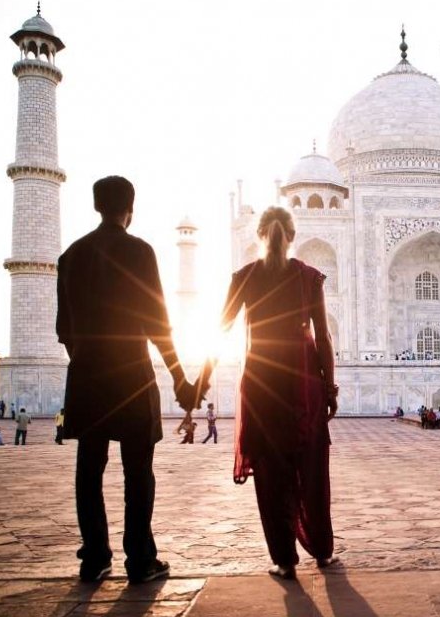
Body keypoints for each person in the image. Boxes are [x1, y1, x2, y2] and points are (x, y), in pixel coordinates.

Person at [57, 176, 197, 584]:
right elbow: (158, 323)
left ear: (96, 206)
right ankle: (140, 559)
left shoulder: (71, 256)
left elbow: (64, 329)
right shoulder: (139, 251)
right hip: (132, 376)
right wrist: (177, 376)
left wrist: (85, 361)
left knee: (89, 467)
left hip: (86, 376)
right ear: (130, 209)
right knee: (138, 470)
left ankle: (95, 556)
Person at [218, 206, 337, 581]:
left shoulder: (245, 276)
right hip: (304, 381)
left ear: (259, 235)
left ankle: (284, 560)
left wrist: (196, 381)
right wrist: (330, 386)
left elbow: (219, 328)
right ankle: (321, 550)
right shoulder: (307, 277)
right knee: (312, 468)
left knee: (271, 472)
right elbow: (324, 337)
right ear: (292, 235)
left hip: (261, 380)